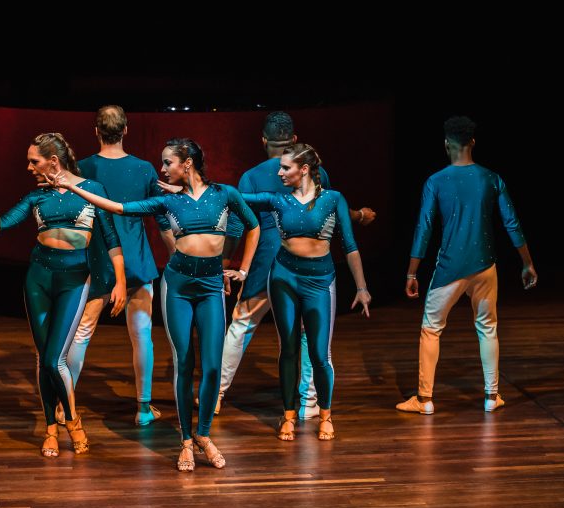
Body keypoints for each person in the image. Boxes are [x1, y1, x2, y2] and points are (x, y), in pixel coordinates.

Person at [44, 138, 260, 472]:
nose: (161, 169)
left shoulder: (225, 194)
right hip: (178, 287)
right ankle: (187, 441)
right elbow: (118, 208)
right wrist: (73, 187)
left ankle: (204, 435)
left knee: (213, 365)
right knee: (184, 362)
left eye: (167, 163)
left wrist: (243, 269)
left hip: (211, 286)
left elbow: (254, 224)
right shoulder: (166, 202)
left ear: (186, 163)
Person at [0, 132, 125, 457]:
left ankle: (73, 422)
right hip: (39, 278)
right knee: (43, 360)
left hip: (74, 279)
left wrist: (120, 282)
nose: (28, 167)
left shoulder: (93, 191)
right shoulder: (36, 198)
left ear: (54, 161)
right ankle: (50, 429)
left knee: (55, 360)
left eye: (33, 160)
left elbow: (111, 239)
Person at [219, 111, 376, 420]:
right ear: (292, 140)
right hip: (307, 266)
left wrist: (224, 265)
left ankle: (216, 394)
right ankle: (308, 401)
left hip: (267, 263)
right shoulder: (316, 172)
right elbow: (332, 211)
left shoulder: (251, 176)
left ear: (263, 141)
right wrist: (361, 216)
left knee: (241, 325)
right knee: (307, 333)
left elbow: (236, 227)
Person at [396, 116, 537, 415]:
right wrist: (527, 263)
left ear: (446, 144)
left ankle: (425, 400)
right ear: (473, 142)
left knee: (431, 329)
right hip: (485, 267)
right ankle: (491, 396)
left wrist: (412, 271)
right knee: (488, 328)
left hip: (449, 269)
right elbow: (512, 223)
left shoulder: (435, 181)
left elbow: (424, 228)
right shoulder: (491, 178)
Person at [60, 105, 175, 427]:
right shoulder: (143, 169)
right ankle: (142, 408)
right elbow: (162, 218)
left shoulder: (80, 168)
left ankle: (63, 406)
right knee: (142, 336)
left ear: (96, 131)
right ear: (126, 130)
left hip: (97, 261)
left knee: (81, 335)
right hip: (137, 261)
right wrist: (175, 254)